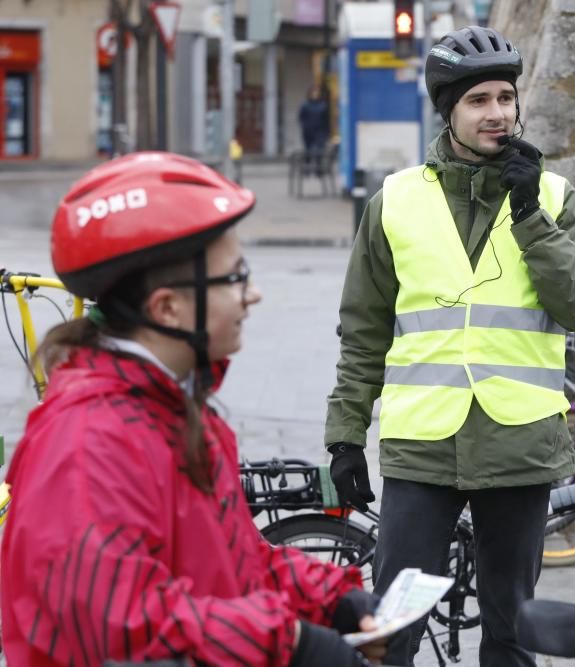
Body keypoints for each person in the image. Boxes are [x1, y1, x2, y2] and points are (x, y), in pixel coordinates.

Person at [1, 152, 385, 666]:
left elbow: (231, 562)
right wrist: (287, 642)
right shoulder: (91, 442)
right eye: (234, 278)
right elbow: (119, 628)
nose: (253, 294)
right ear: (167, 308)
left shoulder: (177, 412)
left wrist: (332, 599)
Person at [324, 25, 575, 667]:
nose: (497, 114)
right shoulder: (395, 201)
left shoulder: (556, 198)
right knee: (392, 627)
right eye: (478, 100)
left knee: (512, 632)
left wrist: (530, 212)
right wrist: (345, 435)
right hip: (421, 448)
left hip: (520, 445)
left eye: (506, 97)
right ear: (449, 110)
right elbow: (364, 329)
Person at [298, 85, 330, 176]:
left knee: (319, 151)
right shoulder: (305, 105)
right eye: (313, 93)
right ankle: (307, 170)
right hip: (308, 131)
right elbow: (301, 118)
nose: (315, 95)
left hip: (320, 131)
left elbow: (326, 119)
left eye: (317, 93)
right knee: (308, 151)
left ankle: (318, 171)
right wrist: (305, 126)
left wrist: (326, 131)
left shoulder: (323, 105)